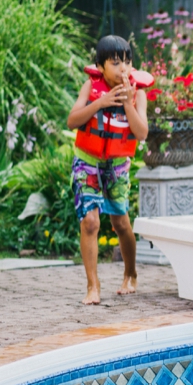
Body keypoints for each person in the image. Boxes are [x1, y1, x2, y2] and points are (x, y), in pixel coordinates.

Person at [66, 36, 150, 305]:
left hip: (116, 166)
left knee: (121, 223)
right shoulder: (91, 86)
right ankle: (93, 286)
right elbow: (71, 121)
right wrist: (100, 103)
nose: (123, 68)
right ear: (100, 66)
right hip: (87, 161)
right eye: (115, 63)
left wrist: (126, 103)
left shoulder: (138, 93)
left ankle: (130, 273)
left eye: (127, 62)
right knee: (90, 221)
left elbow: (142, 133)